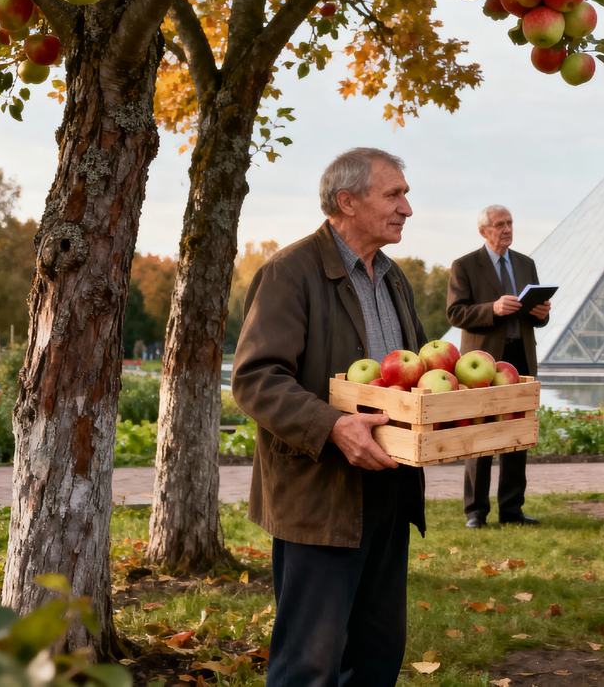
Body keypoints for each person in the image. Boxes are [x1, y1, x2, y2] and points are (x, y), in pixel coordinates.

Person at [232, 147, 429, 687]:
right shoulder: (288, 273)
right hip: (320, 497)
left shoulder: (393, 278)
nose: (407, 208)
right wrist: (333, 427)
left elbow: (410, 376)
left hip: (388, 491)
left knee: (378, 652)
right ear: (347, 201)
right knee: (310, 664)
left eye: (404, 194)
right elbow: (254, 379)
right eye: (394, 194)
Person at [446, 204, 551, 528]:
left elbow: (541, 318)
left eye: (509, 223)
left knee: (516, 434)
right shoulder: (464, 265)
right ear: (483, 231)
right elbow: (456, 313)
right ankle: (476, 511)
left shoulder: (525, 263)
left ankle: (511, 509)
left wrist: (542, 312)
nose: (507, 229)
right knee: (480, 435)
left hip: (519, 358)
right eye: (499, 224)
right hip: (481, 364)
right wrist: (492, 308)